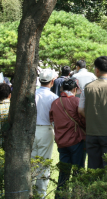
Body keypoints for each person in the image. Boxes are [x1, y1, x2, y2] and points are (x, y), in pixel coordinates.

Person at [78, 56, 107, 183]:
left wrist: (93, 117)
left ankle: (93, 194)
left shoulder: (87, 88)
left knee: (93, 168)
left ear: (96, 70)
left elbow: (80, 110)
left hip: (92, 132)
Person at [49, 78, 86, 194]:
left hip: (61, 141)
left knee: (63, 173)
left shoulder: (55, 102)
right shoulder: (76, 101)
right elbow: (83, 120)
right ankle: (77, 195)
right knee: (78, 171)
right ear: (75, 89)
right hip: (76, 140)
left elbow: (51, 119)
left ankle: (61, 195)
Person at [32, 68, 58, 196]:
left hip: (31, 130)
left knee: (31, 162)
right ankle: (41, 194)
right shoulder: (54, 97)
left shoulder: (33, 94)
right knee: (44, 163)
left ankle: (29, 191)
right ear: (52, 81)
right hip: (46, 129)